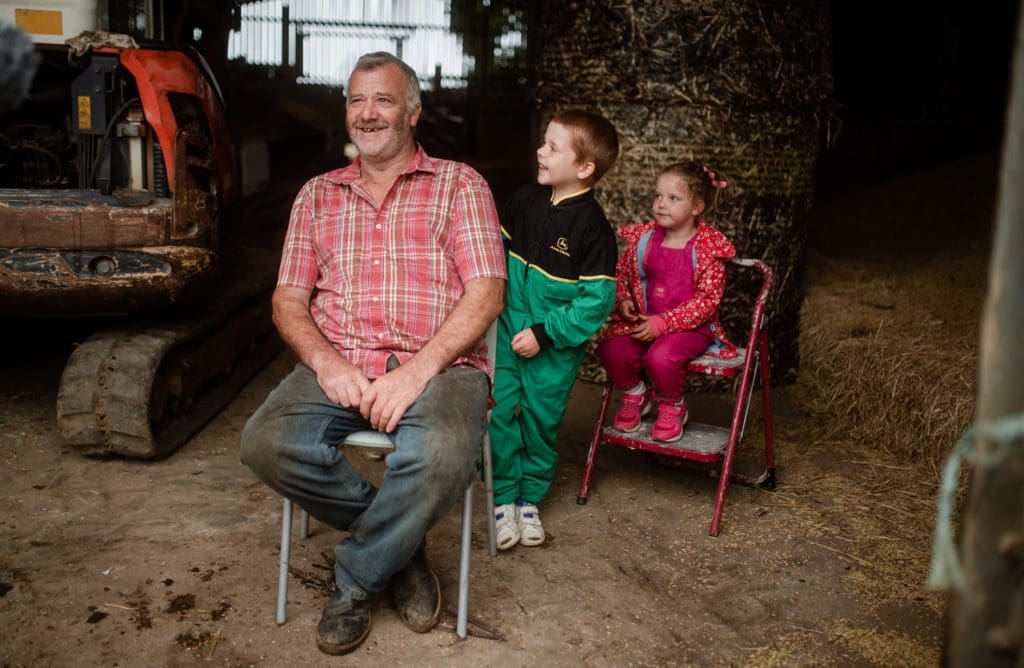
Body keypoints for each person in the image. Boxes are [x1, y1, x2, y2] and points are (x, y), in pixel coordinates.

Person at [239, 52, 506, 655]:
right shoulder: (316, 195)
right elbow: (288, 300)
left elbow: (487, 292)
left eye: (383, 99)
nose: (368, 113)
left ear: (413, 111)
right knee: (263, 442)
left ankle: (358, 577)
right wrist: (329, 364)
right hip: (341, 363)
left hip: (439, 366)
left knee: (441, 455)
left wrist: (416, 372)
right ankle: (401, 548)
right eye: (357, 100)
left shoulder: (461, 185)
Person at [487, 109, 620, 550]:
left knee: (541, 422)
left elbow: (595, 302)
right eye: (544, 143)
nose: (540, 152)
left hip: (554, 346)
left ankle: (529, 499)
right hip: (506, 330)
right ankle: (503, 497)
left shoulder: (594, 229)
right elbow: (493, 259)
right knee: (499, 410)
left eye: (553, 147)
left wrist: (545, 333)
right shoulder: (523, 200)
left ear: (584, 168)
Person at [596, 161, 738, 443]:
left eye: (673, 198)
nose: (661, 204)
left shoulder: (707, 249)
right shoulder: (645, 240)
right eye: (658, 196)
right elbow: (623, 274)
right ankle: (636, 393)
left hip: (689, 329)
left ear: (697, 207)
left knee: (660, 357)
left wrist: (664, 323)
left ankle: (673, 405)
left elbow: (707, 302)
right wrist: (624, 301)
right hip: (645, 321)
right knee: (611, 348)